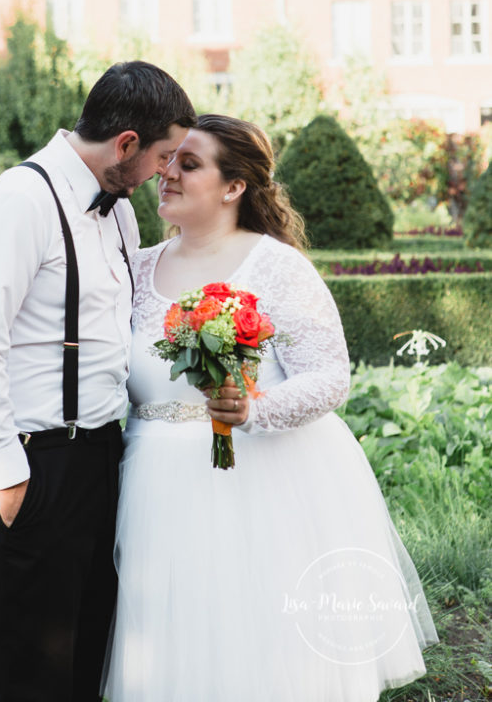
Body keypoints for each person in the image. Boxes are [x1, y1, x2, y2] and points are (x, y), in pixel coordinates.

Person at [103, 114, 438, 702]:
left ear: (234, 187)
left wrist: (252, 408)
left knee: (256, 644)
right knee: (170, 642)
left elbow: (331, 375)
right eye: (168, 160)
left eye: (189, 163)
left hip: (256, 484)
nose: (168, 173)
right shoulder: (137, 266)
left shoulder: (275, 266)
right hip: (152, 482)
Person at [0, 61, 196, 702]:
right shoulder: (18, 201)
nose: (165, 173)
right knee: (32, 670)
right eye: (164, 156)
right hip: (32, 463)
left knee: (90, 651)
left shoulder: (118, 213)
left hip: (101, 456)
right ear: (127, 145)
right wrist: (3, 473)